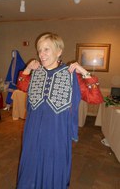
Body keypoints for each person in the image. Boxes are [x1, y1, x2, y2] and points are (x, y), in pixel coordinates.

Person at [16, 32, 103, 189]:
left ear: (59, 51)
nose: (41, 54)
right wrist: (28, 68)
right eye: (39, 50)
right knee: (30, 166)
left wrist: (83, 71)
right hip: (33, 132)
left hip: (56, 135)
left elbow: (95, 98)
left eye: (46, 49)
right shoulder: (37, 73)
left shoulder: (71, 76)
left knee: (53, 169)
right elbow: (22, 85)